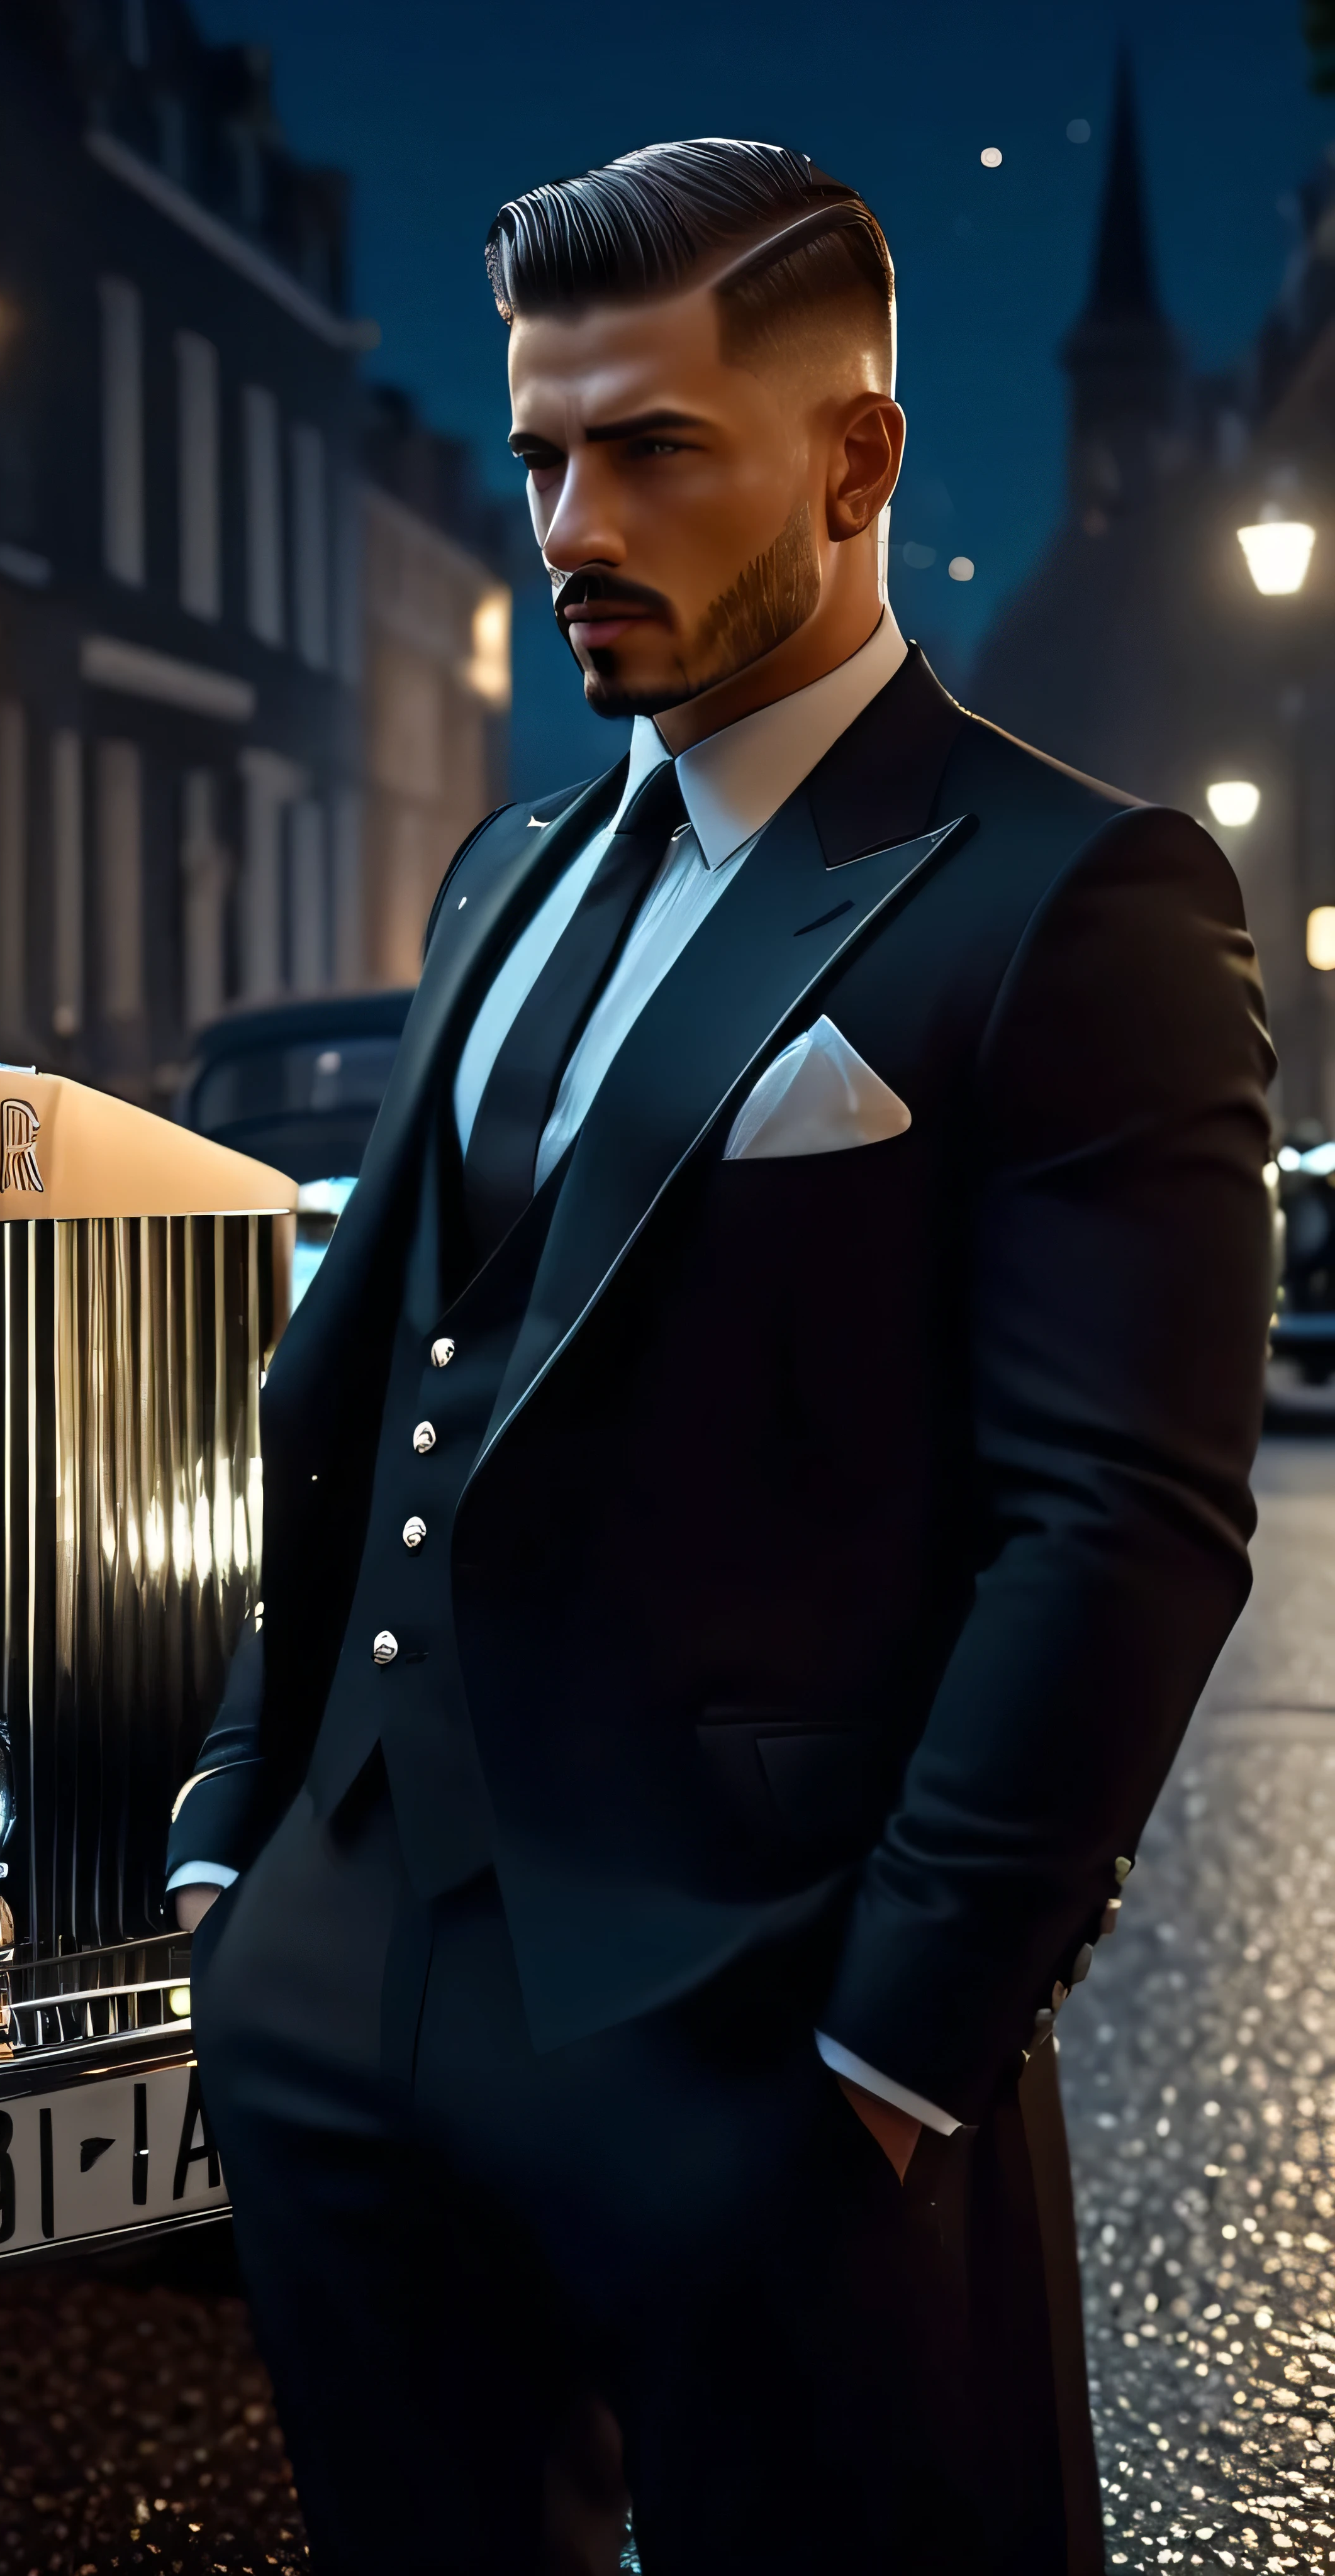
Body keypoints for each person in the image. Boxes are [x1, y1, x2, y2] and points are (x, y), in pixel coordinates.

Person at [169, 138, 1274, 2575]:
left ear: (856, 459)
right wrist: (241, 1839)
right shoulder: (508, 873)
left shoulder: (1069, 894)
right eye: (542, 448)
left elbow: (1118, 1530)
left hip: (754, 2026)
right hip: (350, 2004)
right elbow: (378, 1367)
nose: (571, 517)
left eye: (652, 448)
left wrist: (893, 2049)